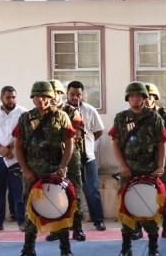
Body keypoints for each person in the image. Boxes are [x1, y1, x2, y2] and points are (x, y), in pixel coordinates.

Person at [13, 81, 76, 256]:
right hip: (33, 173)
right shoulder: (25, 118)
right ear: (32, 98)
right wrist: (26, 170)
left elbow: (70, 142)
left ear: (50, 97)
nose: (41, 100)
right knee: (31, 210)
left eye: (45, 96)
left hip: (55, 172)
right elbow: (17, 145)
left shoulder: (62, 116)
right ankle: (28, 248)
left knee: (60, 209)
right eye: (37, 96)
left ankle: (65, 249)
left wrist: (63, 166)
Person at [110, 82, 166, 256]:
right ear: (128, 98)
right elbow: (116, 143)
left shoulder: (155, 117)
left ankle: (153, 248)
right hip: (129, 172)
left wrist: (161, 166)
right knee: (127, 210)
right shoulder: (121, 118)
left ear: (144, 98)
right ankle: (126, 248)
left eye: (139, 96)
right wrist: (123, 165)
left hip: (149, 171)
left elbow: (161, 143)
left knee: (151, 209)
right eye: (132, 96)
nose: (135, 99)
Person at [45, 79, 87, 243]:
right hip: (49, 157)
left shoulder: (71, 111)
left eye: (58, 93)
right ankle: (57, 229)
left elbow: (76, 134)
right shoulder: (42, 113)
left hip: (69, 155)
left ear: (62, 95)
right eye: (52, 93)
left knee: (74, 191)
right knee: (53, 193)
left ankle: (77, 228)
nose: (54, 96)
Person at [0, 85, 27, 232]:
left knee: (18, 192)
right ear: (1, 97)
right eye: (8, 97)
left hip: (16, 158)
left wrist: (8, 148)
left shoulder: (23, 112)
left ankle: (22, 222)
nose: (11, 100)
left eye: (13, 97)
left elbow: (25, 134)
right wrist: (0, 149)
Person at [65, 81, 107, 231]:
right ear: (67, 94)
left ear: (83, 95)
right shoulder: (62, 111)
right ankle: (70, 222)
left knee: (92, 190)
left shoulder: (90, 110)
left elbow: (98, 131)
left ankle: (98, 220)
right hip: (68, 160)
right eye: (72, 94)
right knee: (68, 191)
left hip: (87, 157)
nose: (75, 97)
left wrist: (88, 144)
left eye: (78, 94)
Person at [146, 83, 166, 240]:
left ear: (155, 98)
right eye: (144, 97)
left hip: (161, 160)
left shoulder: (163, 114)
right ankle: (138, 228)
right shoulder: (131, 115)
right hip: (141, 162)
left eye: (149, 97)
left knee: (164, 196)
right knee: (141, 195)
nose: (146, 100)